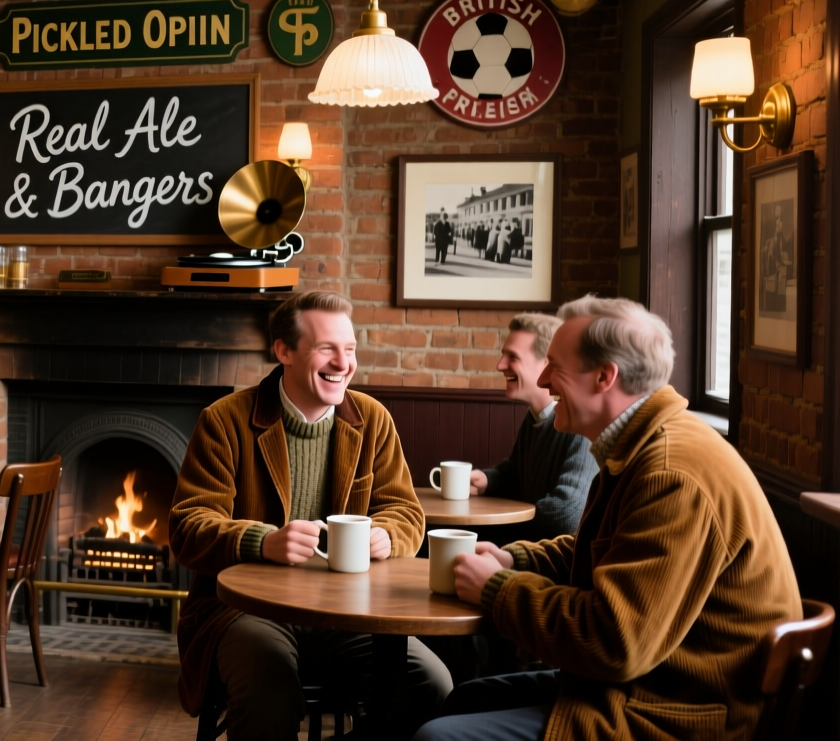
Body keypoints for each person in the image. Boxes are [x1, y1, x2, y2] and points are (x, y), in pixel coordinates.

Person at [416, 296, 802, 740]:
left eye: (555, 366)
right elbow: (599, 549)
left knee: (436, 737)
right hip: (642, 687)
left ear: (605, 376)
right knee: (465, 699)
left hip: (676, 714)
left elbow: (616, 642)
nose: (543, 379)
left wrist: (497, 590)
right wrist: (515, 562)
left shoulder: (670, 472)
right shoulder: (640, 445)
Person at [171, 291, 450, 740]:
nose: (343, 363)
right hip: (244, 611)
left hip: (349, 614)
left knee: (430, 685)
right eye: (327, 349)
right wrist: (261, 541)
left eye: (351, 349)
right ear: (284, 351)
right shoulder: (223, 420)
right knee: (270, 695)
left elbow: (405, 512)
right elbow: (188, 525)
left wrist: (388, 536)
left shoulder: (373, 420)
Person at [468, 313, 595, 545]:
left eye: (512, 357)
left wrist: (506, 531)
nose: (500, 365)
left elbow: (566, 514)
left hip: (555, 565)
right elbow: (518, 475)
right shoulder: (535, 417)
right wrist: (487, 481)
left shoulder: (581, 425)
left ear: (548, 363)